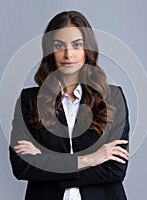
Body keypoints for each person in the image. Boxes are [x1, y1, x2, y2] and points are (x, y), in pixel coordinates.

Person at [9, 10, 130, 200]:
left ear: (87, 49)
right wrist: (90, 159)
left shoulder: (113, 97)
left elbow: (115, 170)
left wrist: (46, 163)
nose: (68, 54)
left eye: (77, 45)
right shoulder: (30, 100)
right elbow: (22, 167)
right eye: (59, 46)